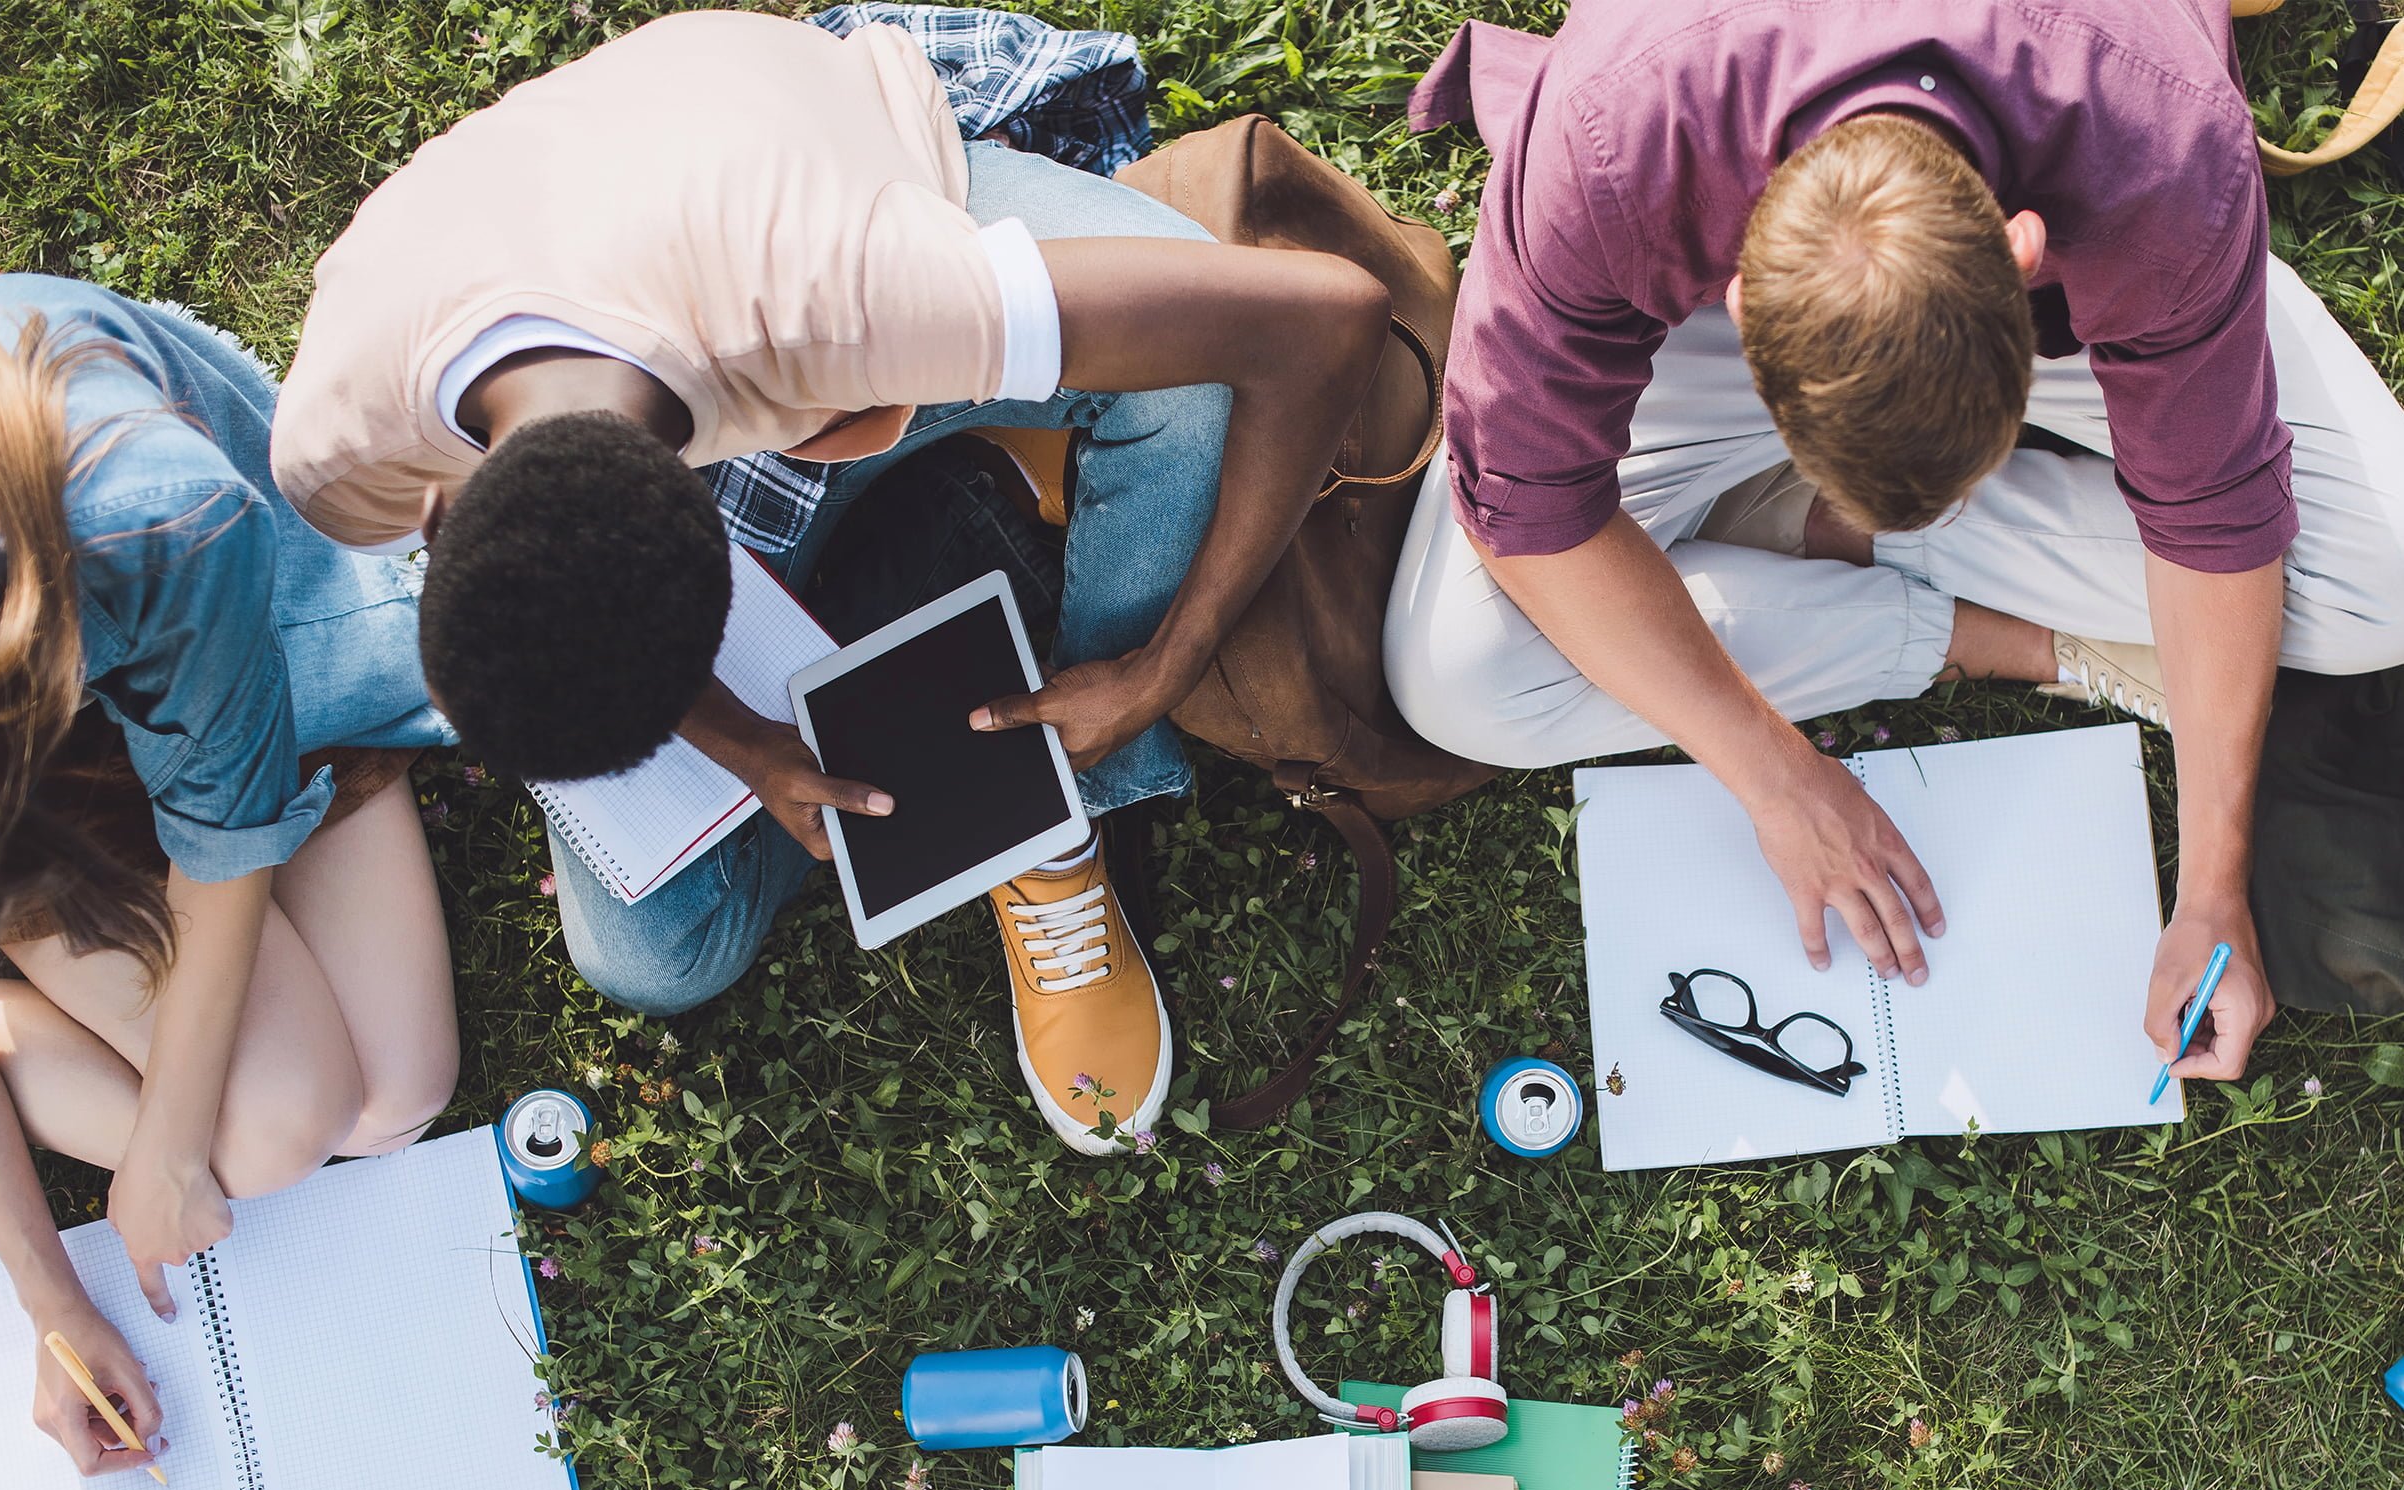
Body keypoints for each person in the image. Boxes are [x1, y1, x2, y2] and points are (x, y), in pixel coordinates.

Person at [270, 8, 1389, 1155]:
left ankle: (1066, 804)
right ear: (438, 506)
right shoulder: (338, 450)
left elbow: (1325, 319)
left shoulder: (854, 298)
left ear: (728, 551)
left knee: (1185, 398)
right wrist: (741, 743)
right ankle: (976, 550)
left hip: (826, 175)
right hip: (635, 246)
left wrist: (1164, 665)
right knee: (651, 954)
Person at [1387, 2, 2404, 1088]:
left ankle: (1792, 534)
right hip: (1709, 227)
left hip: (2100, 216)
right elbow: (1524, 501)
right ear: (1738, 297)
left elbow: (2215, 507)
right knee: (1459, 676)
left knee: (2382, 586)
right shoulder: (1613, 133)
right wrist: (1776, 776)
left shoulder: (2163, 144)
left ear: (2023, 255)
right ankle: (1936, 596)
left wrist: (2212, 891)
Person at [0, 277, 459, 1477]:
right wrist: (51, 1302)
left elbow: (223, 825)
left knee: (392, 1100)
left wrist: (163, 1145)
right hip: (42, 714)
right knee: (281, 1132)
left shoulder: (158, 525)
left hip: (200, 627)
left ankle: (18, 1011)